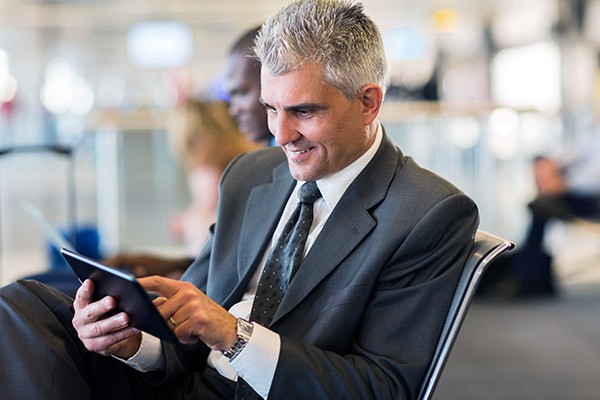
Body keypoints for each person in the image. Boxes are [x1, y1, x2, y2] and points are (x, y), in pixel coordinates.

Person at [0, 1, 479, 399]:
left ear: (369, 102)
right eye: (272, 108)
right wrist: (129, 342)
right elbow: (183, 329)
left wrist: (233, 335)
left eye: (304, 112)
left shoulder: (427, 212)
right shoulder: (250, 176)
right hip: (186, 383)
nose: (282, 134)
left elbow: (386, 389)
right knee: (23, 303)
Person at [106, 26, 272, 278]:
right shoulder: (257, 154)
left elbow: (209, 217)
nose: (234, 109)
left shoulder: (214, 153)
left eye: (242, 92)